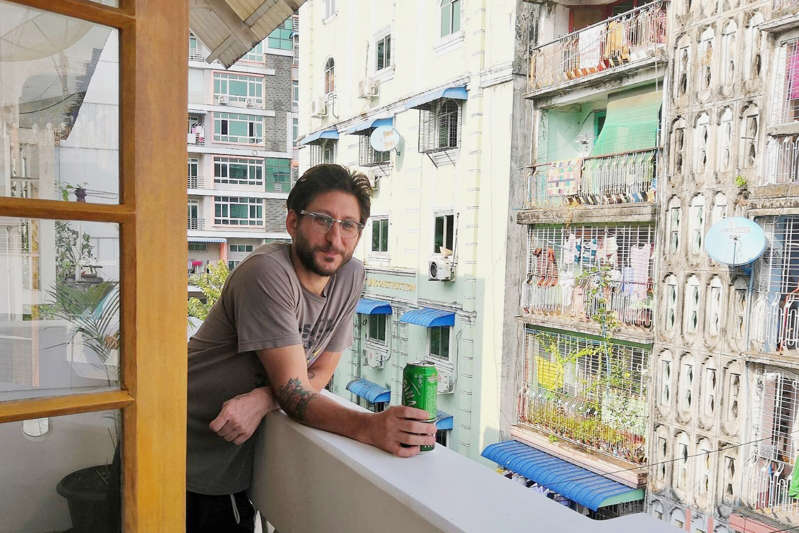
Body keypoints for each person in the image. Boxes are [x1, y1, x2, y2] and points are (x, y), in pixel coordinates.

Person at [186, 164, 436, 532]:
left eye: (349, 225)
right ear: (292, 222)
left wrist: (264, 398)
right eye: (322, 220)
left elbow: (318, 374)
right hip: (184, 448)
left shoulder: (350, 276)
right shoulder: (266, 273)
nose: (336, 238)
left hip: (233, 462)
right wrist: (370, 427)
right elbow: (295, 393)